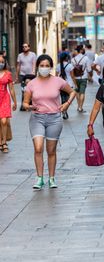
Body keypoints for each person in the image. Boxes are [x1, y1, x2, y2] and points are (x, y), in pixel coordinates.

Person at [23, 54, 76, 190]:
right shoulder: (31, 83)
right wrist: (29, 106)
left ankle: (51, 178)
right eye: (42, 66)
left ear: (51, 67)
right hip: (37, 118)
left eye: (47, 66)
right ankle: (39, 178)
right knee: (38, 147)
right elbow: (25, 102)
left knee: (51, 150)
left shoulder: (58, 81)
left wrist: (66, 104)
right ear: (37, 67)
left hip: (54, 119)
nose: (44, 68)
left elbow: (72, 92)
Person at [0, 55, 17, 153]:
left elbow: (11, 89)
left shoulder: (8, 74)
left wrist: (15, 102)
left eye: (2, 62)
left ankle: (4, 142)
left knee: (3, 121)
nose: (0, 64)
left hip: (5, 98)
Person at [16, 43, 37, 111]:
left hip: (31, 75)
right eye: (23, 47)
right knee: (23, 90)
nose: (24, 48)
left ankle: (31, 104)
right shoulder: (20, 55)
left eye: (25, 47)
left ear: (29, 47)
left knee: (32, 90)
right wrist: (17, 75)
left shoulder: (33, 54)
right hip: (23, 75)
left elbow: (34, 63)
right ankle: (23, 105)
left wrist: (33, 72)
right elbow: (18, 65)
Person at [71, 45, 92, 112]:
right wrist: (90, 76)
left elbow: (71, 70)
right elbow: (89, 69)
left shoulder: (73, 59)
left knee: (77, 92)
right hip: (83, 77)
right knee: (82, 93)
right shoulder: (86, 58)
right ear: (81, 50)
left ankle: (78, 106)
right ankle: (80, 107)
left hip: (75, 78)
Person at [56, 52, 75, 120]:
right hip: (69, 84)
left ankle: (64, 111)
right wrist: (75, 84)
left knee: (63, 98)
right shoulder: (70, 65)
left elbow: (56, 76)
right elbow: (72, 76)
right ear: (66, 58)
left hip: (60, 84)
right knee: (67, 100)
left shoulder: (58, 65)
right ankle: (64, 111)